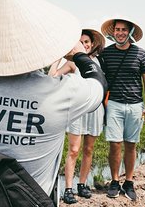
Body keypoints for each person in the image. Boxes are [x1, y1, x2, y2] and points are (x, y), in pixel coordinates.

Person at [0, 0, 107, 207]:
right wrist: (79, 54)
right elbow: (98, 85)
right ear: (39, 44)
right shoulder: (60, 94)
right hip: (33, 201)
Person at [98, 18, 145, 201]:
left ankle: (128, 182)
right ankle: (114, 181)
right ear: (112, 32)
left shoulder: (140, 54)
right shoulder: (106, 54)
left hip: (135, 105)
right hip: (113, 104)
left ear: (130, 33)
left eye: (123, 30)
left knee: (131, 144)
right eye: (117, 30)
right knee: (114, 143)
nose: (120, 33)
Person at [48, 29, 105, 204]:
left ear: (92, 44)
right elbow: (52, 76)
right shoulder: (72, 63)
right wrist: (58, 55)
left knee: (89, 149)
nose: (84, 45)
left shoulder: (98, 62)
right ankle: (68, 188)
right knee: (73, 150)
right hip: (77, 111)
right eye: (81, 42)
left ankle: (82, 184)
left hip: (95, 110)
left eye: (87, 42)